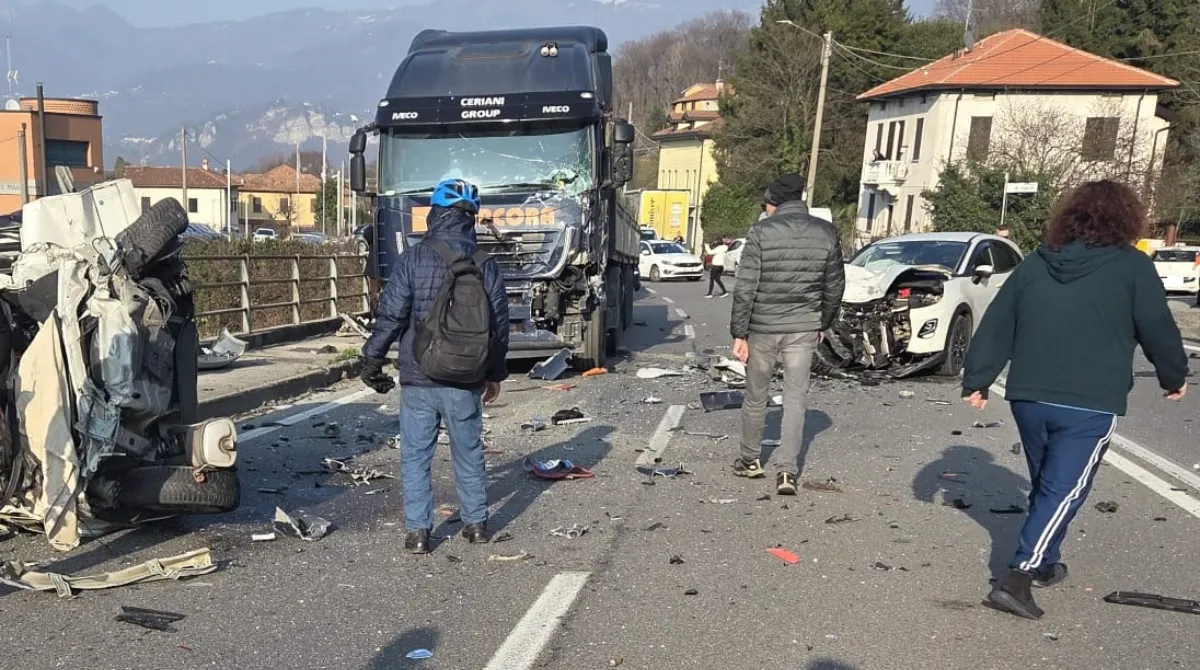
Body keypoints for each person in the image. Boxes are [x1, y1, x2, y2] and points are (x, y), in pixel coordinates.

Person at [961, 180, 1188, 620]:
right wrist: (1172, 375)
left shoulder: (1037, 264)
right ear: (1127, 219)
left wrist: (979, 379)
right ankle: (1018, 576)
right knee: (1065, 490)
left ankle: (1044, 562)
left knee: (1048, 484)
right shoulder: (1133, 267)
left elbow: (1000, 321)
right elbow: (1158, 326)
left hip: (1028, 397)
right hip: (1089, 401)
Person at [360, 178, 510, 555]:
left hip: (420, 374)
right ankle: (476, 524)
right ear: (471, 219)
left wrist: (373, 358)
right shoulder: (485, 264)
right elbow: (499, 327)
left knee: (415, 455)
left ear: (434, 213)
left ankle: (418, 533)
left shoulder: (413, 258)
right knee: (468, 450)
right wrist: (493, 374)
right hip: (466, 378)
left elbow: (391, 315)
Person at [730, 173, 845, 495]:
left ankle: (750, 460)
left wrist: (740, 333)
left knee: (756, 396)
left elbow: (745, 286)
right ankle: (787, 472)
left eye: (766, 204)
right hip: (804, 328)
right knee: (795, 398)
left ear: (773, 203)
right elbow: (835, 285)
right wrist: (823, 322)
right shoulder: (826, 232)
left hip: (762, 328)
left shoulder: (761, 232)